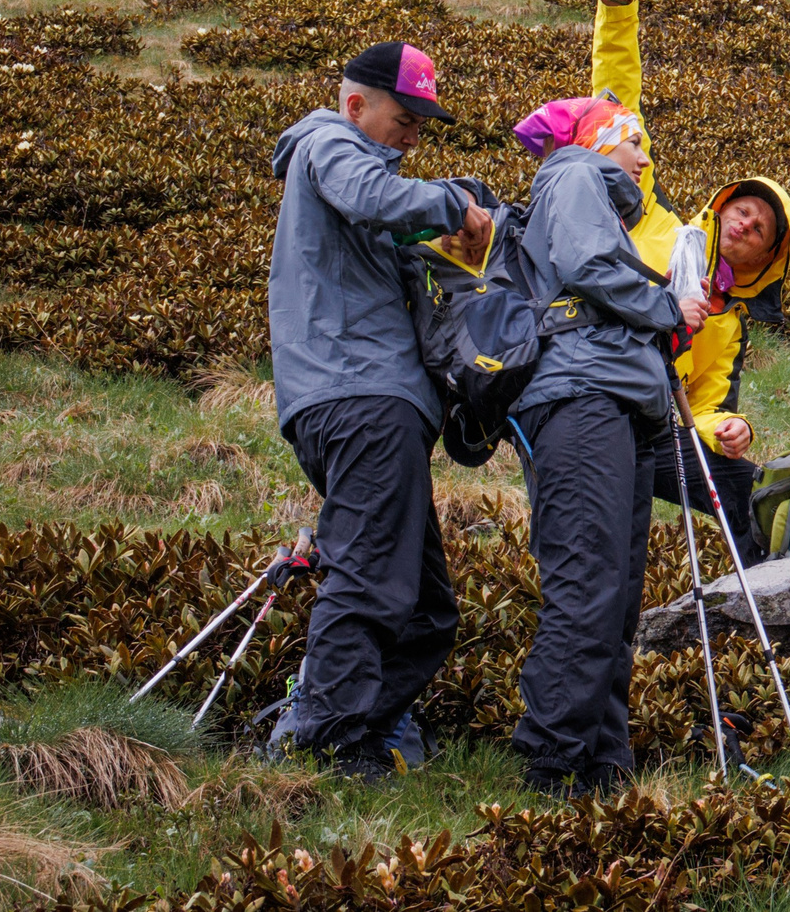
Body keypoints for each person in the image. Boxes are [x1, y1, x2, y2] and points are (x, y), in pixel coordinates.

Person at [267, 41, 490, 780]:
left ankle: (342, 723)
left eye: (423, 124)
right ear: (357, 104)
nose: (414, 136)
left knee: (427, 611)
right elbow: (373, 195)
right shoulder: (332, 143)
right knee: (367, 577)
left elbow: (390, 229)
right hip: (359, 396)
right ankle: (322, 744)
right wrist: (451, 201)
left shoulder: (356, 174)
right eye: (405, 118)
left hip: (371, 401)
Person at [503, 94, 706, 796]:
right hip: (581, 399)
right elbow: (589, 263)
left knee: (615, 592)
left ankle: (602, 759)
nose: (646, 159)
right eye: (635, 143)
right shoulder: (573, 174)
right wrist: (665, 307)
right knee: (590, 581)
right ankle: (553, 760)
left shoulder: (594, 193)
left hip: (613, 402)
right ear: (598, 140)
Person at [576, 0, 790, 561]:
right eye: (743, 207)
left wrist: (731, 430)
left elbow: (701, 406)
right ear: (720, 206)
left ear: (769, 258)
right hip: (586, 398)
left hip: (651, 424)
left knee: (749, 486)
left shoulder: (729, 324)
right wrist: (618, 6)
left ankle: (773, 595)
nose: (748, 221)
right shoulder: (650, 216)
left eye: (762, 227)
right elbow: (615, 104)